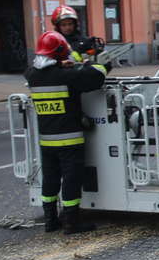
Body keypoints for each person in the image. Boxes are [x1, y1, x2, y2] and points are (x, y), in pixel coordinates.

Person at [25, 30, 106, 234]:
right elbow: (96, 76)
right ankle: (72, 222)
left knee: (50, 179)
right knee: (71, 179)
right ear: (60, 53)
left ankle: (51, 220)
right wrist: (95, 62)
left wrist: (63, 63)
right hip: (69, 140)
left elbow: (47, 72)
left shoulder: (32, 75)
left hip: (46, 141)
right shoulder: (67, 75)